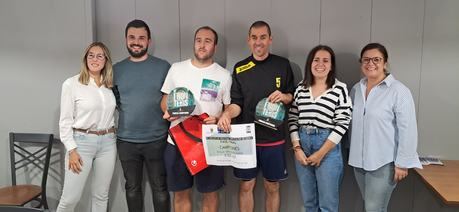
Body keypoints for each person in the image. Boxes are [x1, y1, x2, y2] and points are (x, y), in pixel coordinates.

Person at [217, 21, 294, 212]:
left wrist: (284, 97)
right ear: (248, 40)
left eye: (262, 37)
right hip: (246, 138)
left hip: (274, 138)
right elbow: (236, 105)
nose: (258, 42)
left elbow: (292, 96)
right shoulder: (240, 68)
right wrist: (226, 113)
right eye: (254, 38)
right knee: (246, 186)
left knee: (272, 186)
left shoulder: (282, 65)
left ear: (270, 40)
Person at [160, 26, 232, 212]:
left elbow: (227, 109)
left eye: (207, 41)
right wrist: (168, 111)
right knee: (181, 193)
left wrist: (219, 118)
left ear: (215, 46)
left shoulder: (224, 75)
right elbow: (164, 101)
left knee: (210, 194)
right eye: (198, 40)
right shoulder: (176, 69)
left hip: (209, 143)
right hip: (177, 142)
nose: (202, 45)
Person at [348, 43, 422, 212]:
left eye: (376, 59)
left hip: (383, 162)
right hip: (358, 162)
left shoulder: (399, 91)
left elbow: (408, 129)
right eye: (366, 59)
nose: (370, 63)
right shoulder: (356, 89)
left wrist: (403, 163)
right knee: (371, 206)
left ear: (385, 63)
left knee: (374, 208)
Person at [113, 19, 171, 212]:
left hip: (157, 139)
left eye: (141, 38)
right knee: (132, 189)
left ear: (149, 41)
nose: (136, 42)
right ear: (125, 39)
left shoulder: (163, 67)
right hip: (126, 140)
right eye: (132, 37)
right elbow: (114, 102)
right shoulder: (116, 69)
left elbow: (169, 100)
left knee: (160, 189)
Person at [288, 45, 352, 212]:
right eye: (316, 60)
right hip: (302, 146)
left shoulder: (339, 89)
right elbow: (293, 118)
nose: (320, 64)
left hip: (328, 148)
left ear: (331, 65)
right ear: (310, 63)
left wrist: (321, 152)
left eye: (325, 60)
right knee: (309, 203)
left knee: (327, 206)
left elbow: (343, 123)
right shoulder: (301, 88)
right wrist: (297, 148)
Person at [57, 42, 116, 212]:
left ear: (106, 60)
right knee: (70, 199)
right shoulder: (71, 84)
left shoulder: (108, 86)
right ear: (85, 58)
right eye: (91, 55)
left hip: (108, 144)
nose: (95, 59)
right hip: (81, 144)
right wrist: (71, 150)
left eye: (99, 56)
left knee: (101, 196)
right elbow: (65, 121)